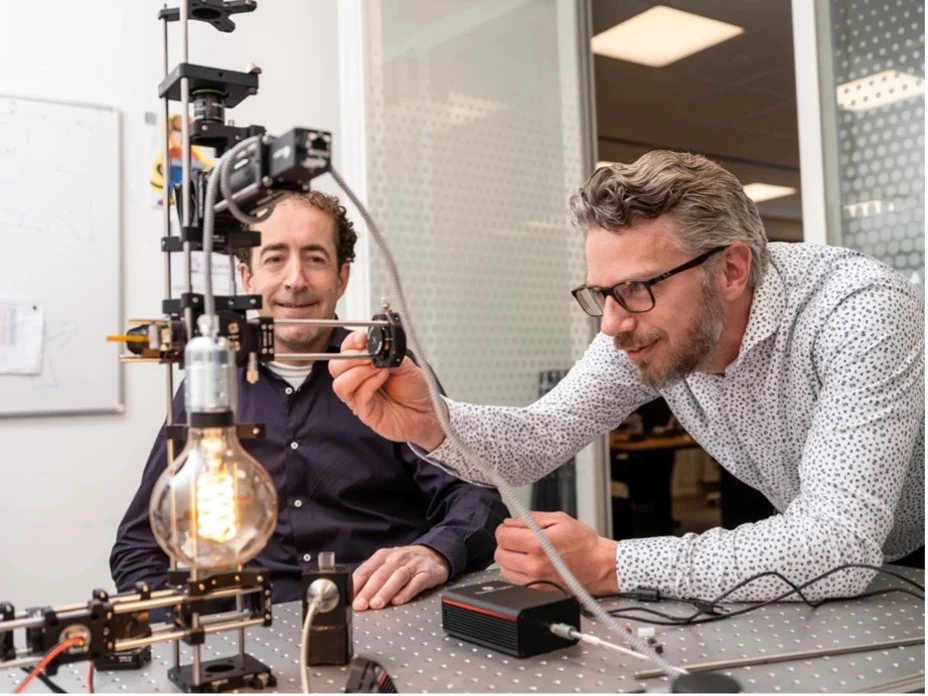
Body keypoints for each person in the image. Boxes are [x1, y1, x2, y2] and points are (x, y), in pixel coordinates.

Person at [329, 150, 925, 602]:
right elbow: (539, 438)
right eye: (601, 294)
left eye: (636, 288)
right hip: (856, 570)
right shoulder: (639, 327)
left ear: (732, 269)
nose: (611, 324)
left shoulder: (860, 312)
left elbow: (836, 546)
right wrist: (435, 423)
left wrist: (611, 564)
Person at [111, 192, 508, 612]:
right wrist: (190, 637)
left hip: (378, 616)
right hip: (255, 638)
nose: (295, 280)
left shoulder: (388, 373)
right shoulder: (210, 386)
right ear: (248, 278)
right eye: (275, 258)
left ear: (342, 278)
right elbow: (139, 548)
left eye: (315, 258)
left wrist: (435, 554)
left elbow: (478, 501)